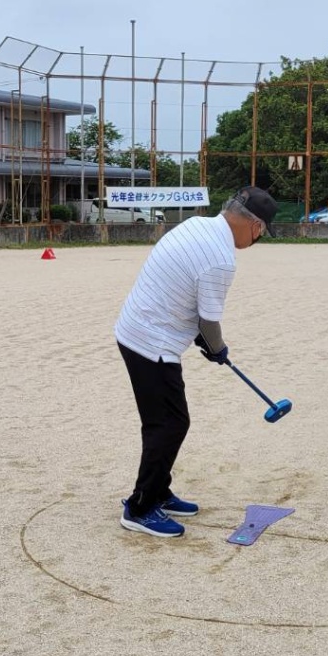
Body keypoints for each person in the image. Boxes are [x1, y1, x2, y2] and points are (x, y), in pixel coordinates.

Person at [114, 185, 277, 538]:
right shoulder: (221, 257)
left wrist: (207, 341)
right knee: (170, 424)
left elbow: (192, 300)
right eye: (263, 232)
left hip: (139, 328)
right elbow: (208, 323)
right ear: (255, 225)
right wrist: (217, 348)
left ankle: (159, 490)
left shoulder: (197, 224)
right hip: (150, 341)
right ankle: (140, 506)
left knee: (167, 421)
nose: (259, 238)